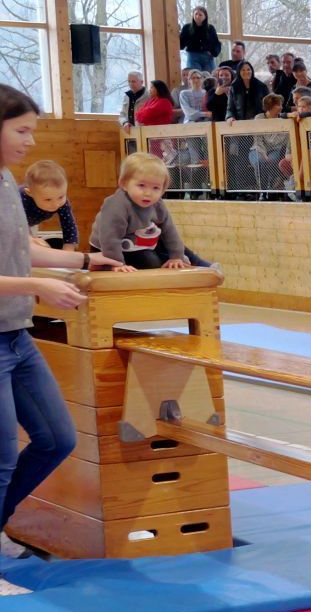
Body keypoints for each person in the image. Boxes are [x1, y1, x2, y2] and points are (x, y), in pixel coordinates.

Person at [0, 88, 119, 557]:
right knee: (3, 457)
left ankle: (1, 523)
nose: (31, 141)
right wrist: (38, 287)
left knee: (55, 438)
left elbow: (20, 251)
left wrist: (87, 260)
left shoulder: (8, 181)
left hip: (15, 337)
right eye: (22, 130)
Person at [91, 153, 212, 269]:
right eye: (141, 185)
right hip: (106, 248)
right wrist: (116, 264)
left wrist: (176, 257)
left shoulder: (157, 204)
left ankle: (197, 262)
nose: (148, 193)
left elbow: (169, 231)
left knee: (169, 248)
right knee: (150, 262)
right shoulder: (116, 205)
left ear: (162, 190)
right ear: (124, 184)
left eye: (156, 188)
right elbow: (110, 238)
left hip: (138, 240)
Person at [18, 160, 77, 251]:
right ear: (30, 193)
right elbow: (17, 225)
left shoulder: (62, 202)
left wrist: (69, 248)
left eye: (61, 197)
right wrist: (30, 239)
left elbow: (69, 225)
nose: (56, 204)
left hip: (30, 223)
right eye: (48, 199)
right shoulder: (20, 199)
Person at [179, 6, 220, 74]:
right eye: (196, 14)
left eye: (200, 15)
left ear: (205, 16)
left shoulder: (210, 28)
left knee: (209, 78)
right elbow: (181, 44)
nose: (198, 16)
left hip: (207, 57)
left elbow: (216, 43)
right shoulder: (187, 27)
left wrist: (213, 52)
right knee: (195, 76)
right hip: (193, 56)